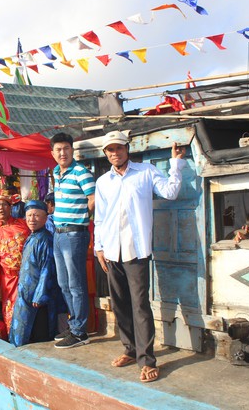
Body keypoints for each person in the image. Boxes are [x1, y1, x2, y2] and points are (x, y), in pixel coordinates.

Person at [93, 130, 187, 384]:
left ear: (127, 149)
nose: (115, 153)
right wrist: (99, 248)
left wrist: (176, 165)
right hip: (112, 250)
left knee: (140, 306)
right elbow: (100, 218)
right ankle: (130, 350)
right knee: (120, 304)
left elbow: (170, 192)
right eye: (110, 150)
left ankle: (147, 360)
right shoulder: (103, 182)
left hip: (137, 251)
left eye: (119, 148)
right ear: (106, 154)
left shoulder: (145, 172)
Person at [50, 132, 95, 349]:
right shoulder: (56, 172)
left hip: (74, 234)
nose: (62, 153)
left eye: (66, 148)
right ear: (53, 153)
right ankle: (74, 323)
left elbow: (93, 198)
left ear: (72, 150)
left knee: (76, 284)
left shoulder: (81, 172)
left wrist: (81, 218)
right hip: (58, 234)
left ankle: (80, 332)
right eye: (58, 149)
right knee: (64, 283)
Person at [9, 200, 61, 347]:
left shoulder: (45, 239)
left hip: (38, 298)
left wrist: (40, 294)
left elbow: (47, 268)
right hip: (26, 293)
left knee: (39, 333)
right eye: (29, 215)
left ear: (45, 218)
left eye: (37, 215)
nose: (32, 219)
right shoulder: (31, 237)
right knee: (24, 331)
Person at [0, 186, 30, 332]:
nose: (1, 208)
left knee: (30, 308)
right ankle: (13, 339)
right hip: (8, 279)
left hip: (28, 275)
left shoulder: (24, 224)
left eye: (4, 205)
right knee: (11, 311)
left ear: (10, 207)